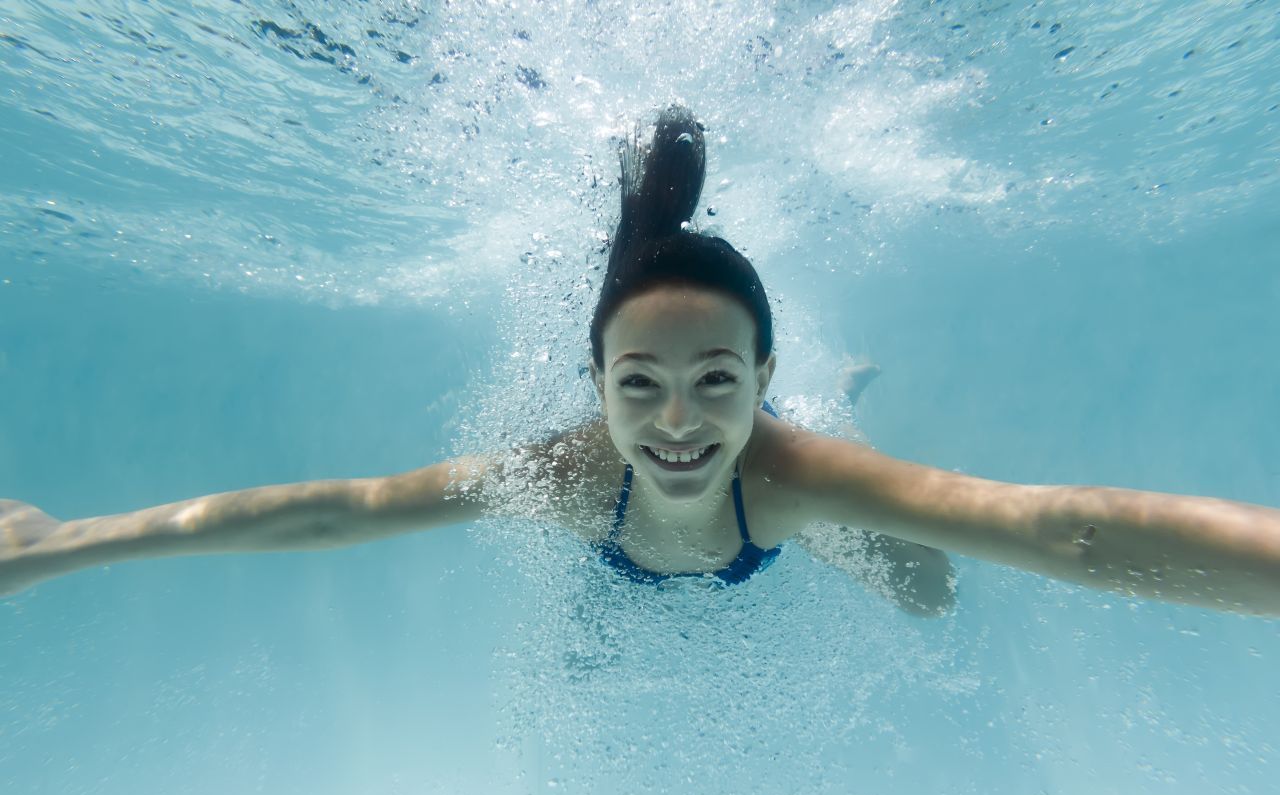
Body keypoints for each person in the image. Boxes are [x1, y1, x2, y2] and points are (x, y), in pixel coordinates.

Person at [2, 105, 1278, 618]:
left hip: (777, 521)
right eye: (638, 386)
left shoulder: (787, 474)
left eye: (719, 381)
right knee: (600, 622)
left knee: (928, 591)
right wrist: (64, 543)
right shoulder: (562, 475)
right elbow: (343, 508)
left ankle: (848, 399)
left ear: (761, 376)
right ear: (595, 386)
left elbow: (1058, 530)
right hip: (629, 550)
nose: (673, 422)